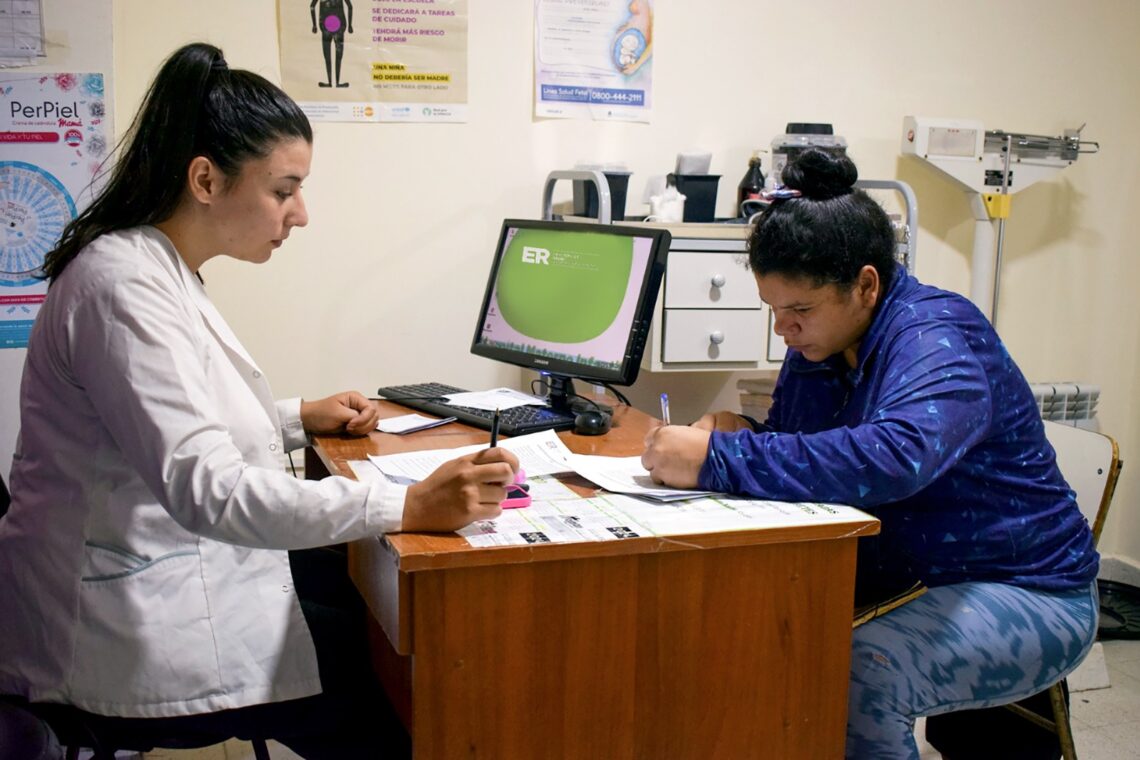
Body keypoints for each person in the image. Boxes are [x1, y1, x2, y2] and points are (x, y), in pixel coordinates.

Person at [0, 42, 517, 757]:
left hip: (153, 562)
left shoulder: (149, 266)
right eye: (283, 189)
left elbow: (158, 422)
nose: (299, 213)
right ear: (206, 180)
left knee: (358, 600)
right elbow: (206, 489)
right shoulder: (122, 288)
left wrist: (295, 417)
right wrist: (409, 505)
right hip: (122, 630)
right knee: (401, 687)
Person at [641, 148, 1099, 759]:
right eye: (774, 310)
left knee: (865, 672)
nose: (784, 330)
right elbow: (809, 448)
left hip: (1026, 589)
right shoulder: (825, 342)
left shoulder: (937, 335)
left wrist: (719, 457)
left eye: (799, 310)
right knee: (739, 623)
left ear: (865, 284)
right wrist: (744, 431)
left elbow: (896, 457)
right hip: (909, 576)